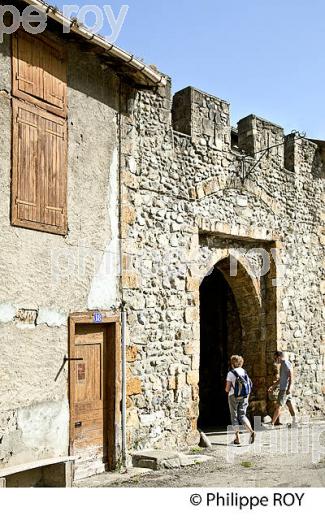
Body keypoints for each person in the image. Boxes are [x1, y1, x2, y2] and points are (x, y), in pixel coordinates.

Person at [225, 355, 256, 445]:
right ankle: (251, 431)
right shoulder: (244, 372)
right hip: (244, 396)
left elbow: (227, 389)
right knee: (242, 415)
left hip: (233, 396)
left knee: (234, 416)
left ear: (233, 364)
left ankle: (237, 438)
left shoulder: (231, 373)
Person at [268, 351, 297, 427]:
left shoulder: (285, 363)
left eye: (275, 358)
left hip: (284, 389)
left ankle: (272, 424)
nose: (274, 360)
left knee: (278, 406)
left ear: (279, 357)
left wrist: (289, 388)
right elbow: (282, 379)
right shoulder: (282, 365)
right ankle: (295, 422)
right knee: (289, 405)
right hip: (285, 389)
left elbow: (291, 376)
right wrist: (273, 386)